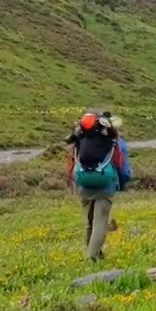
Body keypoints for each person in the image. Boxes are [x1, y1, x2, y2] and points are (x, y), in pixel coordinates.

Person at [65, 110, 132, 262]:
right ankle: (92, 256)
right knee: (100, 222)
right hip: (105, 185)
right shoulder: (116, 143)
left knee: (89, 221)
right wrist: (120, 185)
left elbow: (73, 164)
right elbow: (124, 171)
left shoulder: (81, 140)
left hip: (83, 184)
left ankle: (95, 253)